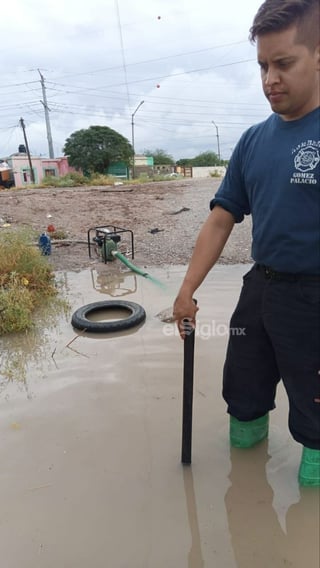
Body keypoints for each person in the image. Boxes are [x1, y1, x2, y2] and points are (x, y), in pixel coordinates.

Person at [173, 0, 320, 486]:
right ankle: (247, 500)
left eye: (284, 63)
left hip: (315, 299)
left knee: (316, 415)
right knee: (242, 390)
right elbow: (220, 220)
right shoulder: (253, 141)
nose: (269, 79)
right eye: (262, 65)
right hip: (259, 289)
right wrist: (187, 290)